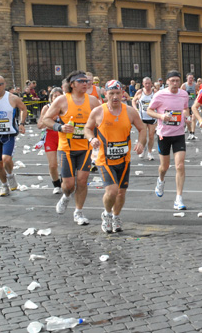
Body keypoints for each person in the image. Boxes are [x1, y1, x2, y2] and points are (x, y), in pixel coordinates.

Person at [84, 80, 146, 234]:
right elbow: (87, 128)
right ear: (106, 95)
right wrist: (91, 139)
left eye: (118, 93)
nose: (115, 96)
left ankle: (116, 216)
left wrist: (141, 143)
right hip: (105, 159)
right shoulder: (98, 111)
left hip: (124, 159)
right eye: (111, 93)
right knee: (112, 191)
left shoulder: (130, 111)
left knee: (121, 192)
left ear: (122, 94)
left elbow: (142, 128)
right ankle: (107, 214)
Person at [42, 71, 101, 225]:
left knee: (82, 181)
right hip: (66, 148)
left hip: (85, 148)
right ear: (73, 84)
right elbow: (46, 119)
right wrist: (59, 127)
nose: (86, 84)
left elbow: (103, 119)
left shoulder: (93, 101)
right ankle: (66, 196)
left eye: (87, 81)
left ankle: (78, 212)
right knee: (68, 185)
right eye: (81, 81)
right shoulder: (62, 100)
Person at [147, 70, 190, 210]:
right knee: (164, 167)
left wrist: (186, 117)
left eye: (178, 81)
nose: (175, 83)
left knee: (180, 166)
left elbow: (185, 109)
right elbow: (149, 110)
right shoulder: (160, 95)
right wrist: (161, 117)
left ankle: (179, 198)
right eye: (172, 81)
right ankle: (160, 180)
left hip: (179, 134)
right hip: (164, 135)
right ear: (167, 82)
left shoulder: (184, 94)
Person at [37, 87, 64, 195]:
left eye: (59, 96)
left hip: (63, 136)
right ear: (51, 98)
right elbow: (40, 125)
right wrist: (50, 121)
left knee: (65, 163)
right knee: (53, 164)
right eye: (55, 96)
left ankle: (65, 182)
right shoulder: (46, 108)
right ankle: (56, 184)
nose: (57, 98)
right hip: (50, 136)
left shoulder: (66, 107)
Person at [132, 77, 156, 161]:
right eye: (146, 83)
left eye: (149, 83)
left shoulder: (154, 92)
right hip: (142, 117)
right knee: (143, 136)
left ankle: (149, 153)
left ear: (151, 84)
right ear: (143, 84)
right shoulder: (140, 92)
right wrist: (135, 108)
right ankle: (143, 149)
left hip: (152, 117)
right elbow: (133, 100)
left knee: (151, 135)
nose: (148, 85)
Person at [181, 73, 198, 141]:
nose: (191, 79)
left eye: (192, 78)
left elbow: (198, 92)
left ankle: (193, 133)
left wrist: (197, 101)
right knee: (188, 120)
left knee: (193, 118)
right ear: (187, 78)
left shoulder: (195, 85)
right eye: (189, 78)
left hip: (193, 104)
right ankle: (190, 132)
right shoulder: (184, 85)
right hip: (186, 105)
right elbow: (180, 94)